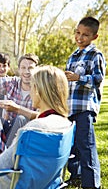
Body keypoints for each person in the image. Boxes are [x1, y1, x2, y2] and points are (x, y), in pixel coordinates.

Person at [64, 16, 105, 189]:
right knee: (71, 146)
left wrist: (79, 78)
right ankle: (76, 176)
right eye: (77, 33)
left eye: (85, 35)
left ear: (94, 37)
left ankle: (92, 184)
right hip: (70, 108)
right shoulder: (72, 56)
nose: (80, 38)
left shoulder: (96, 55)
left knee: (85, 146)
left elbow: (98, 78)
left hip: (84, 108)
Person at [0, 53, 39, 146]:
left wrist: (17, 109)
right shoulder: (12, 83)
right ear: (19, 69)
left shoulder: (41, 89)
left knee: (21, 118)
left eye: (30, 68)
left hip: (30, 132)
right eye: (23, 68)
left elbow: (40, 115)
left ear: (37, 70)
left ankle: (5, 155)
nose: (26, 72)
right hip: (10, 127)